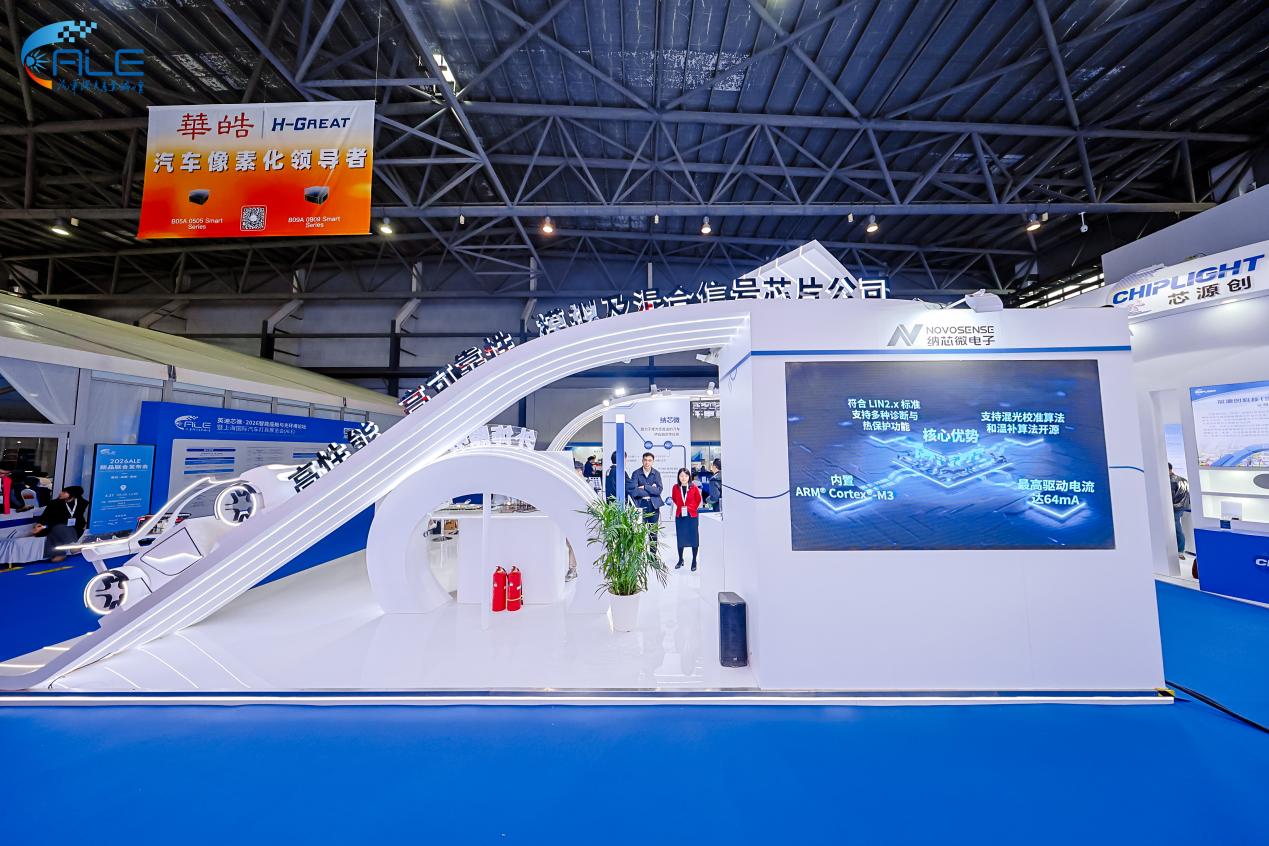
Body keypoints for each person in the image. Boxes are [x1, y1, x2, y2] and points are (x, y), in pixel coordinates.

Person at [33, 485, 90, 563]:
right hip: (57, 526)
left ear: (73, 494)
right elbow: (45, 516)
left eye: (64, 492)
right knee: (57, 529)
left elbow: (81, 517)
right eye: (62, 491)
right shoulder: (54, 503)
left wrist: (85, 524)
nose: (61, 493)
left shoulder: (82, 503)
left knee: (59, 531)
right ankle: (72, 545)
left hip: (76, 526)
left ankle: (61, 553)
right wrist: (39, 525)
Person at [630, 452, 664, 553]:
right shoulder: (636, 473)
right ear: (642, 461)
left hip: (653, 506)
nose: (647, 462)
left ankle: (653, 557)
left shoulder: (656, 473)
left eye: (649, 460)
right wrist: (651, 489)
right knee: (639, 532)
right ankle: (640, 556)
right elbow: (634, 491)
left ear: (653, 462)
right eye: (645, 460)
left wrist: (645, 487)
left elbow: (658, 491)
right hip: (641, 505)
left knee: (653, 532)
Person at [671, 467, 702, 571]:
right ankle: (680, 559)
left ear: (689, 477)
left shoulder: (693, 487)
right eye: (681, 476)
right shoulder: (675, 487)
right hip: (680, 516)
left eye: (685, 476)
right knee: (680, 538)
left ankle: (694, 561)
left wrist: (691, 508)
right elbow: (674, 499)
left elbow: (698, 499)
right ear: (678, 477)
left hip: (692, 516)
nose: (683, 478)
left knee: (694, 539)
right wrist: (682, 507)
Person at [1169, 463, 1190, 557]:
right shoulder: (1183, 479)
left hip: (1175, 507)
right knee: (1177, 528)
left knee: (1177, 529)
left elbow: (1170, 497)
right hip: (1182, 506)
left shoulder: (1171, 482)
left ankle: (1180, 550)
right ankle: (1180, 550)